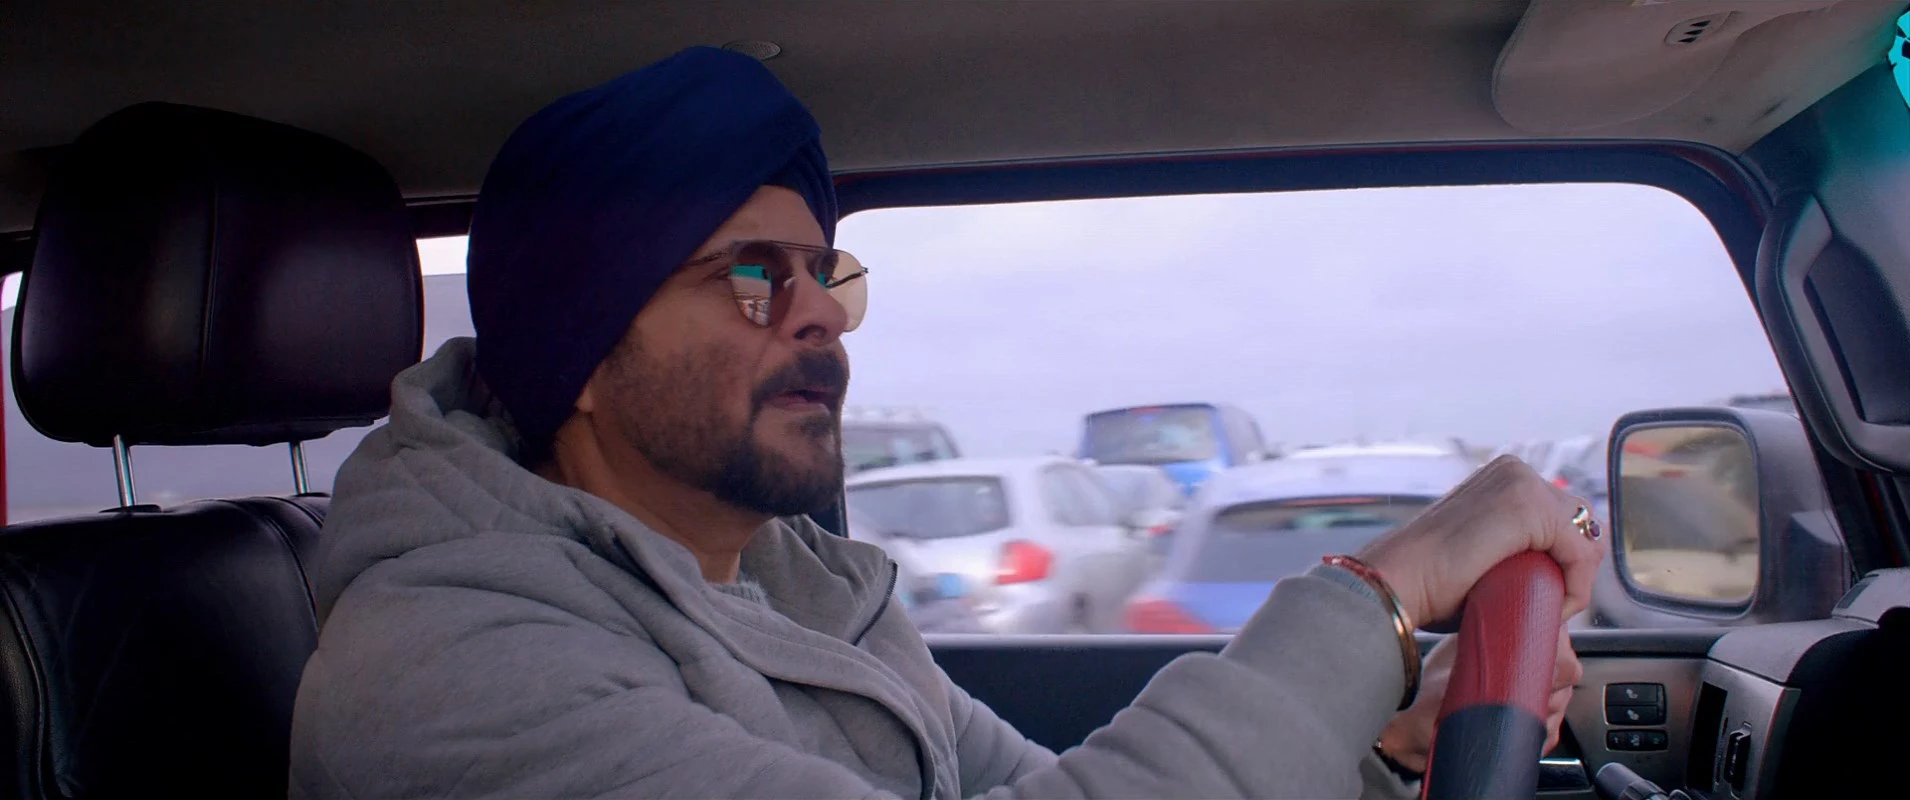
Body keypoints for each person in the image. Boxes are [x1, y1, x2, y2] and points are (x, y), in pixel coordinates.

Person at [288, 46, 1602, 799]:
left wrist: (1377, 743)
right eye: (748, 276)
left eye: (824, 272)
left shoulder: (802, 591)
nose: (819, 313)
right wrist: (1378, 598)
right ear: (579, 353)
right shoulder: (450, 671)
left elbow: (1030, 789)